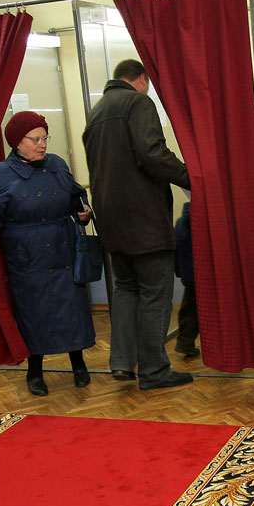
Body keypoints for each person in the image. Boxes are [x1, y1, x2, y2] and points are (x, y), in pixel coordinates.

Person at [0, 111, 95, 397]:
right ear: (16, 142)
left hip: (63, 250)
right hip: (28, 256)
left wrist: (83, 211)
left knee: (71, 311)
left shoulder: (57, 165)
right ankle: (35, 372)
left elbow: (75, 195)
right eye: (35, 139)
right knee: (36, 315)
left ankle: (79, 364)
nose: (42, 144)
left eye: (44, 137)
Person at [82, 59, 193, 390]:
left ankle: (121, 362)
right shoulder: (138, 102)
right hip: (144, 220)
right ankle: (154, 370)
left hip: (111, 222)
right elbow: (152, 153)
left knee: (126, 290)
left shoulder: (97, 111)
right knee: (154, 294)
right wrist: (191, 176)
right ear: (142, 80)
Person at [174, 200, 200, 359]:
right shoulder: (205, 220)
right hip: (204, 272)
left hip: (189, 274)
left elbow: (177, 251)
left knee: (189, 308)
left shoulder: (180, 222)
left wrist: (180, 272)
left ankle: (185, 342)